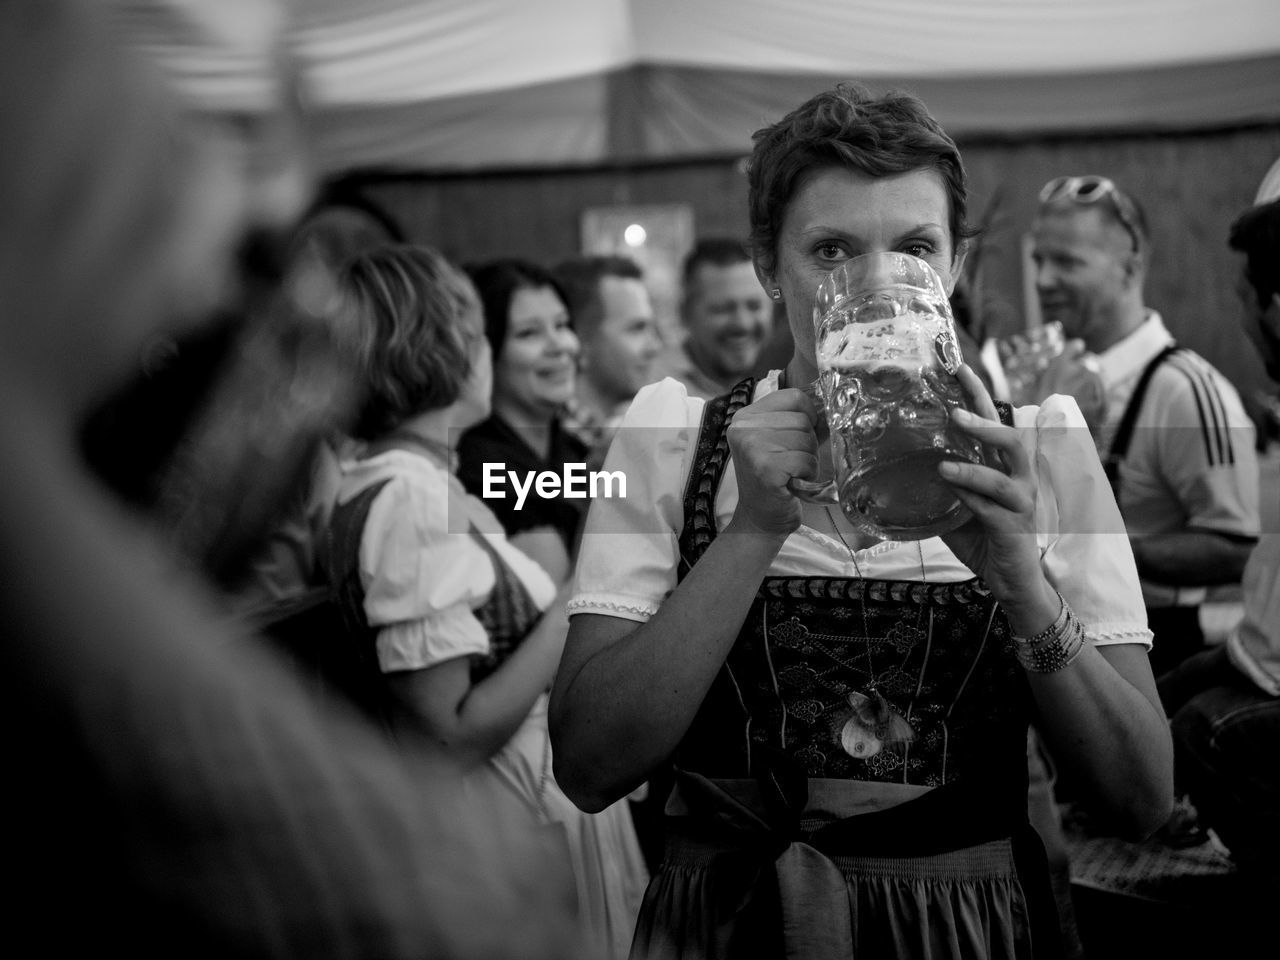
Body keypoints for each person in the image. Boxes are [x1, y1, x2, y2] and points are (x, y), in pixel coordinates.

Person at [0, 2, 582, 957]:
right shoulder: (409, 487)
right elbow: (449, 803)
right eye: (511, 331)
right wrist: (584, 588)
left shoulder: (498, 459)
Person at [550, 82, 1173, 960]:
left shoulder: (1042, 451)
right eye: (832, 250)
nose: (879, 289)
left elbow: (1142, 798)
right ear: (772, 265)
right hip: (734, 927)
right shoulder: (673, 438)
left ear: (953, 268)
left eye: (916, 247)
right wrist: (753, 529)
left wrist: (1025, 588)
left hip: (968, 929)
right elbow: (587, 766)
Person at [330, 245, 647, 960]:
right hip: (507, 816)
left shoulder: (409, 479)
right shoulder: (409, 496)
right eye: (481, 333)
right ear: (439, 349)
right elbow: (447, 735)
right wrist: (576, 596)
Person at [1030, 175, 1260, 677]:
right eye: (1039, 261)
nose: (1044, 280)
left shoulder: (1183, 389)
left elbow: (1235, 549)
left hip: (1155, 655)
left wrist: (1099, 550)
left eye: (1067, 262)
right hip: (1058, 649)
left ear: (1131, 267)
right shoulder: (1053, 376)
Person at [1157, 166, 1280, 890]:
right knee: (1161, 700)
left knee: (1202, 732)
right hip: (1257, 645)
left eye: (1243, 298)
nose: (1236, 316)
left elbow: (1232, 548)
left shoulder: (1184, 387)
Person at [457, 259, 588, 584]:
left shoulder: (572, 449)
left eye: (562, 324)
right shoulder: (479, 468)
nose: (559, 346)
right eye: (529, 333)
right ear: (485, 353)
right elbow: (567, 613)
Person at [554, 254, 662, 454]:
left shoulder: (631, 427)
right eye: (637, 329)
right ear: (580, 341)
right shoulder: (547, 445)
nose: (654, 346)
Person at [651, 237, 773, 400]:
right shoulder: (654, 392)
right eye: (723, 309)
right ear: (685, 313)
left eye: (754, 306)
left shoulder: (774, 384)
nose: (743, 323)